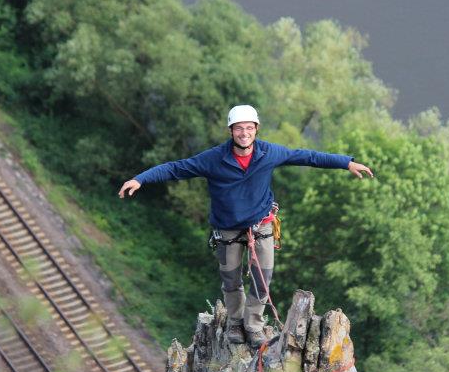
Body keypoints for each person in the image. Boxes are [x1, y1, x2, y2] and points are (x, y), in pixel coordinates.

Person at [118, 105, 373, 346]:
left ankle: (253, 325)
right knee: (231, 279)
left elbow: (306, 156)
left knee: (263, 278)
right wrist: (141, 179)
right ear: (231, 131)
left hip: (260, 226)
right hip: (227, 229)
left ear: (256, 129)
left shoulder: (268, 153)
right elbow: (176, 169)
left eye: (249, 128)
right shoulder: (214, 159)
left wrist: (345, 162)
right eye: (239, 128)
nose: (244, 133)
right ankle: (235, 322)